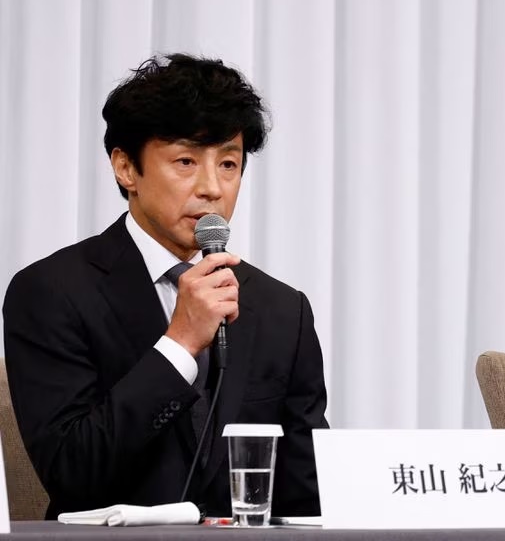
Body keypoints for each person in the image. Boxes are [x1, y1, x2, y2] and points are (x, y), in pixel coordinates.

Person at [2, 54, 329, 519]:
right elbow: (70, 470)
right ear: (126, 168)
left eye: (230, 164)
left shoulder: (281, 309)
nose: (213, 187)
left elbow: (306, 494)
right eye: (185, 161)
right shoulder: (50, 292)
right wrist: (179, 345)